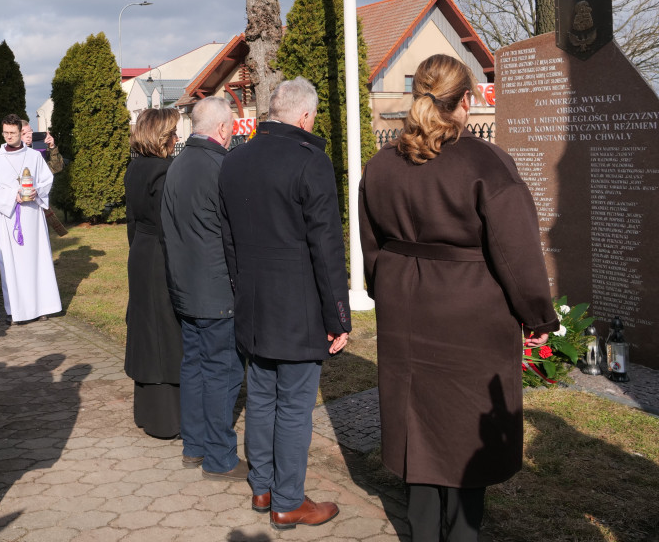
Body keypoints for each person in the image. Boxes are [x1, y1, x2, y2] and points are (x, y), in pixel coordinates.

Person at [358, 54, 559, 542]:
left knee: (420, 427)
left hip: (406, 313)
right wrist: (537, 315)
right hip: (470, 317)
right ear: (466, 100)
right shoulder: (486, 162)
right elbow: (516, 252)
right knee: (466, 431)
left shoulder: (381, 165)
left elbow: (371, 248)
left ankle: (424, 533)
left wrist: (387, 289)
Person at [219, 77, 350, 528]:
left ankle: (262, 488)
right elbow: (326, 247)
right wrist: (338, 316)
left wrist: (241, 291)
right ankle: (288, 500)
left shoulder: (235, 159)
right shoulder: (310, 160)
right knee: (293, 405)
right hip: (298, 309)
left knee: (261, 396)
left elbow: (229, 242)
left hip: (254, 303)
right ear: (306, 116)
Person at [161, 96, 246, 478]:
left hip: (186, 288)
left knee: (194, 367)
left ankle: (194, 446)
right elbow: (235, 235)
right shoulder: (220, 167)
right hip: (216, 293)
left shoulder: (177, 165)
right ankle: (219, 458)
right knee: (221, 373)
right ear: (223, 129)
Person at [124, 108, 183, 440]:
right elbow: (168, 225)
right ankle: (166, 419)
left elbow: (132, 221)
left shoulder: (135, 167)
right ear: (162, 137)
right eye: (173, 133)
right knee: (165, 332)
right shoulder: (165, 170)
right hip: (160, 254)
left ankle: (147, 412)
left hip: (141, 252)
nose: (177, 139)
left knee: (147, 330)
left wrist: (137, 249)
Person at [0, 114, 61, 324]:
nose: (9, 136)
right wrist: (11, 197)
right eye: (5, 133)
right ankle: (17, 310)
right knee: (13, 264)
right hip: (10, 219)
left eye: (13, 133)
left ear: (20, 132)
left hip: (33, 217)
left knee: (37, 260)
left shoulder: (34, 156)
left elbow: (46, 179)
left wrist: (37, 191)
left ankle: (42, 306)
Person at [20, 121, 67, 236]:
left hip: (39, 201)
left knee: (40, 237)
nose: (28, 135)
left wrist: (52, 147)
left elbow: (56, 168)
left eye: (30, 132)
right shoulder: (12, 153)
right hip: (20, 204)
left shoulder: (39, 149)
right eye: (24, 133)